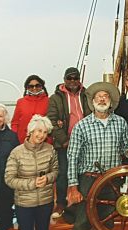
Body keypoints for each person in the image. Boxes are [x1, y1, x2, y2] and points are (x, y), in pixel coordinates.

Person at [62, 81, 128, 230]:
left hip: (111, 181)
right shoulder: (82, 125)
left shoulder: (120, 123)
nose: (102, 98)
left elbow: (125, 147)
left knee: (106, 221)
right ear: (92, 101)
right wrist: (73, 186)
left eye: (105, 96)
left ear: (111, 101)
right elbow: (72, 158)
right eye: (98, 96)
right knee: (81, 222)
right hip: (88, 179)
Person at [5, 115, 58, 230]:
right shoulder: (17, 152)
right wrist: (31, 183)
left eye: (44, 132)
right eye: (38, 131)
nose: (41, 135)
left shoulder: (50, 150)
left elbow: (55, 171)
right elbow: (9, 179)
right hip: (24, 203)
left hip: (45, 201)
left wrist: (48, 179)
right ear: (30, 131)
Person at [47, 67, 91, 217]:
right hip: (65, 142)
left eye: (75, 78)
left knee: (83, 173)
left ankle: (81, 203)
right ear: (64, 79)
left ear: (79, 79)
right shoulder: (56, 98)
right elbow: (51, 121)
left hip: (86, 143)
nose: (72, 81)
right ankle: (60, 203)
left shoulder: (87, 95)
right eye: (69, 78)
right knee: (63, 173)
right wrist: (64, 140)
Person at [11, 74, 49, 143]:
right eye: (31, 86)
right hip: (23, 141)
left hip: (43, 141)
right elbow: (14, 122)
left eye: (37, 85)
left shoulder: (49, 101)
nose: (34, 88)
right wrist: (16, 136)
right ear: (27, 88)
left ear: (42, 87)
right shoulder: (20, 102)